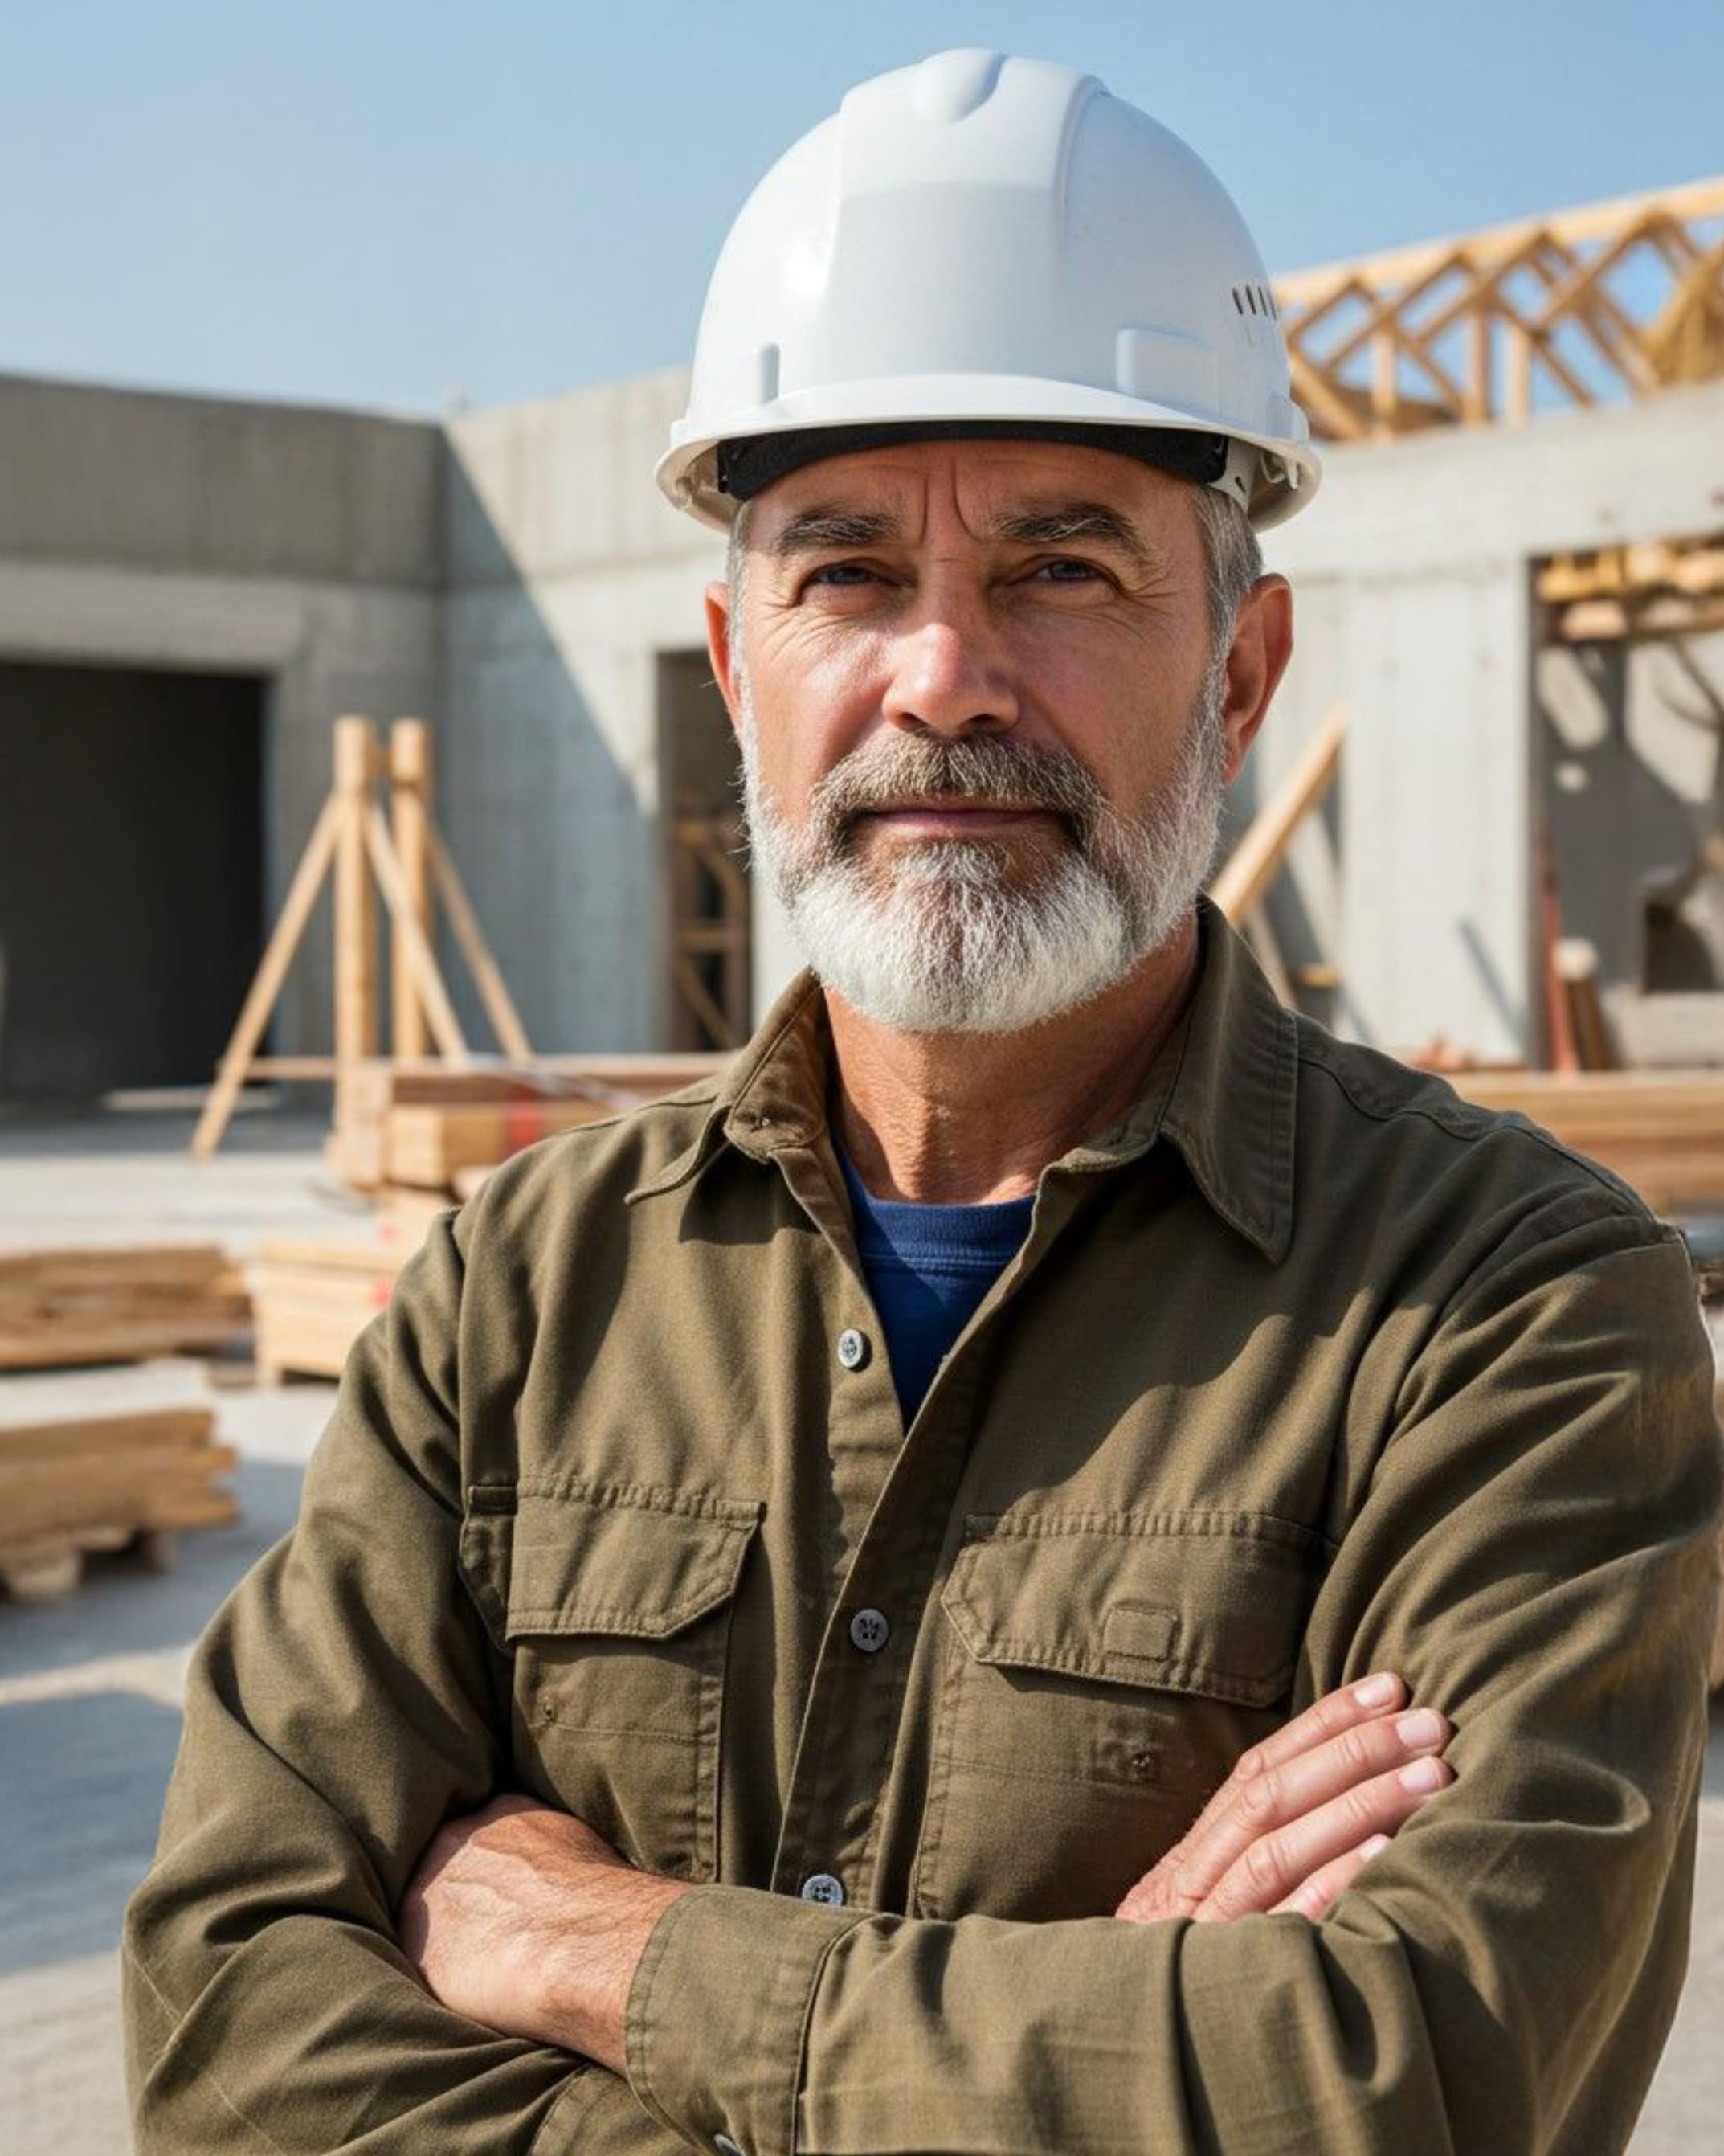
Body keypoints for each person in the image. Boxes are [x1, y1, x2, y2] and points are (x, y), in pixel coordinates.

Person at [123, 50, 1721, 2156]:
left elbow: (1396, 2085)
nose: (943, 672)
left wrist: (617, 1956)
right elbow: (229, 2028)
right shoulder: (514, 1299)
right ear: (733, 664)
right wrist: (1114, 2031)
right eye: (848, 571)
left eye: (1061, 567)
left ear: (1238, 674)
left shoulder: (1505, 1321)